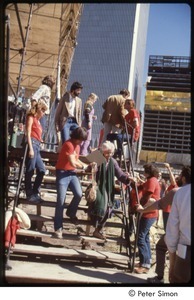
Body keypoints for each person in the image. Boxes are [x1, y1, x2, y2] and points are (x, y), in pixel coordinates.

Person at [136, 165, 191, 283]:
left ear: (184, 179)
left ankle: (160, 276)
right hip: (182, 241)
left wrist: (143, 210)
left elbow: (160, 205)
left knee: (161, 245)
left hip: (184, 245)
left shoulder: (178, 192)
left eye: (180, 176)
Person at [88, 141, 131, 239]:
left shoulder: (113, 161)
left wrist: (128, 179)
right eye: (107, 153)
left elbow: (119, 174)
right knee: (100, 205)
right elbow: (88, 169)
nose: (109, 155)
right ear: (103, 152)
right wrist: (92, 166)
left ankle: (98, 230)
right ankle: (96, 225)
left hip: (108, 188)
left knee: (108, 208)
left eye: (111, 153)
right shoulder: (98, 158)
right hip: (98, 186)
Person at [53, 127, 88, 239]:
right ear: (76, 137)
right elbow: (72, 162)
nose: (81, 142)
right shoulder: (68, 144)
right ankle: (58, 228)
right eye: (80, 139)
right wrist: (83, 166)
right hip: (62, 173)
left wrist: (86, 164)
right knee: (60, 201)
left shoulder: (77, 146)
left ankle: (71, 212)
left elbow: (76, 159)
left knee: (79, 194)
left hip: (71, 173)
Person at [133, 163, 161, 274]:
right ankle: (146, 261)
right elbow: (143, 187)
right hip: (149, 212)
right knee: (145, 237)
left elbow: (147, 196)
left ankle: (145, 264)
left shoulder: (152, 181)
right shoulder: (151, 180)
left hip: (149, 213)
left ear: (149, 172)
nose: (143, 173)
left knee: (140, 238)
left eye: (145, 171)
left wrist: (140, 206)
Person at [165, 183, 191, 283]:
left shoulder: (182, 193)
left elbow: (172, 232)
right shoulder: (182, 193)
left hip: (185, 255)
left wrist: (172, 265)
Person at [24, 99, 48, 203]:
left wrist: (40, 139)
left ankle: (35, 192)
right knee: (30, 169)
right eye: (42, 111)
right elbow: (28, 132)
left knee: (42, 169)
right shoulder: (31, 117)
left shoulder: (38, 121)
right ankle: (29, 193)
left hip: (37, 144)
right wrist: (30, 148)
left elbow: (36, 133)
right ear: (38, 110)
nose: (43, 113)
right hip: (32, 144)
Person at [55, 81, 83, 145]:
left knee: (78, 138)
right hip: (65, 121)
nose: (79, 92)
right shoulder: (64, 98)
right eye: (78, 90)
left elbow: (79, 114)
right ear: (73, 90)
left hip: (75, 122)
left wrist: (79, 125)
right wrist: (56, 125)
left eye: (80, 90)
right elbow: (58, 112)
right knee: (65, 140)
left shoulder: (79, 101)